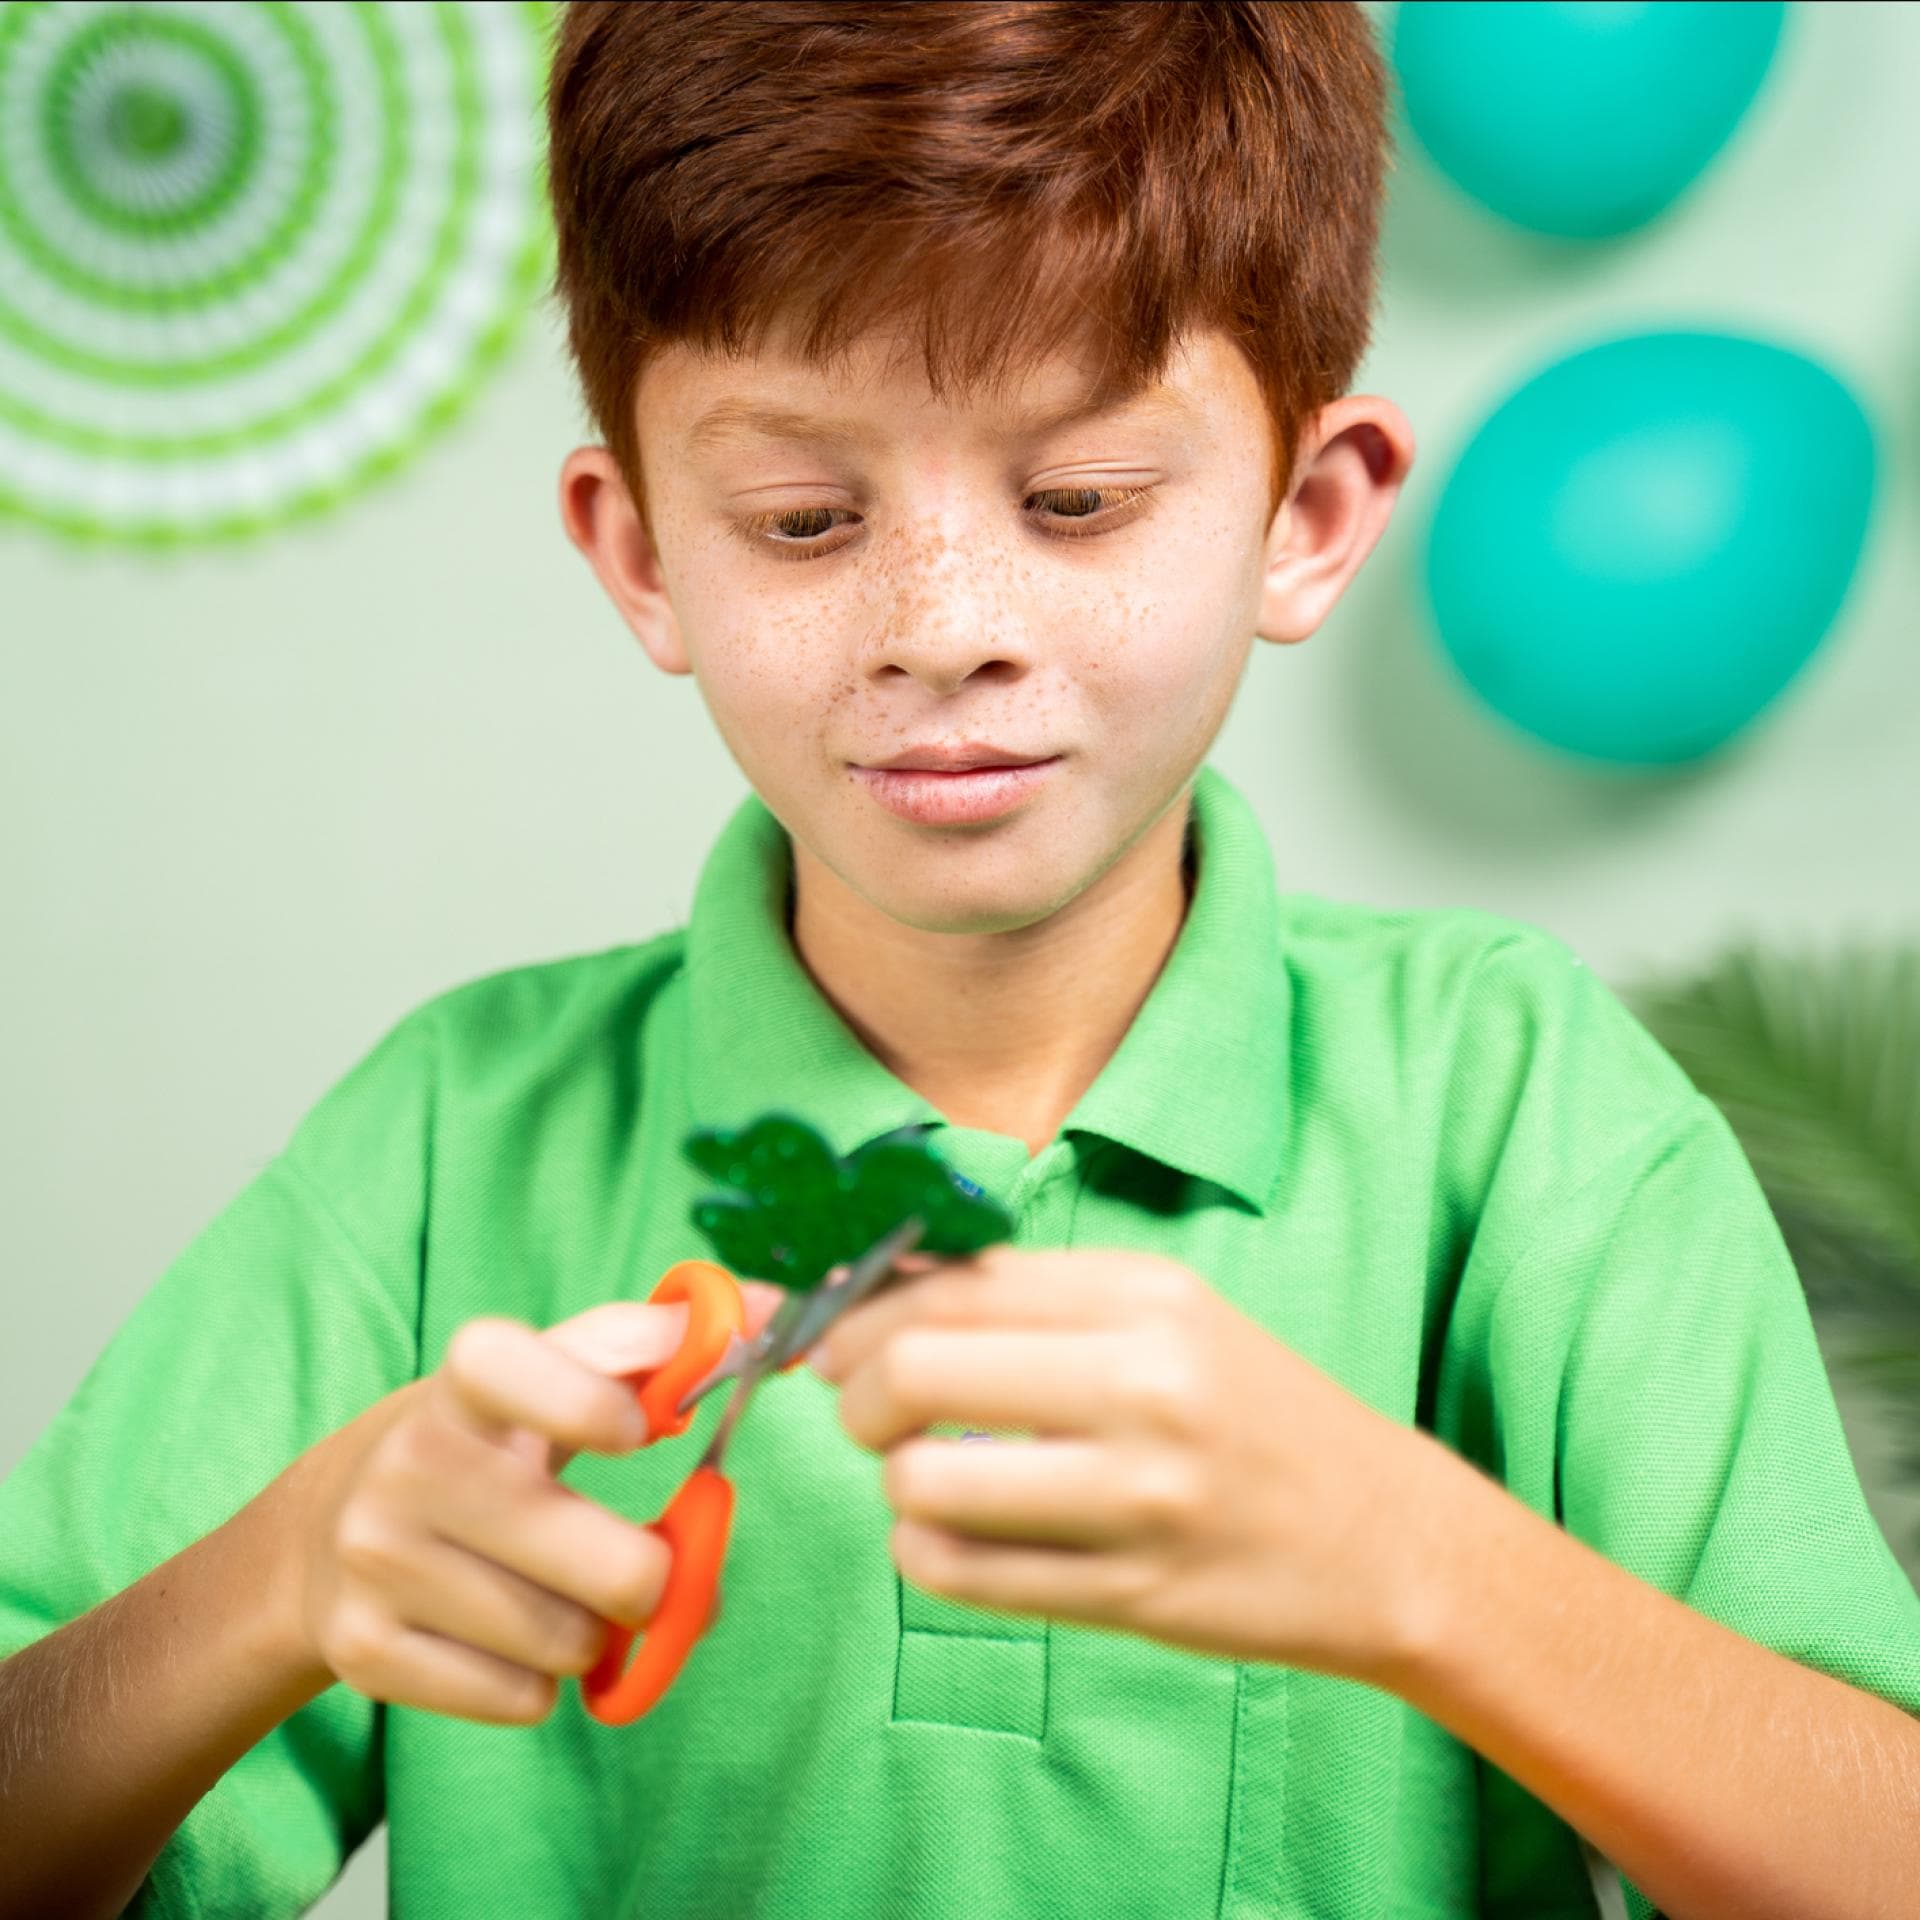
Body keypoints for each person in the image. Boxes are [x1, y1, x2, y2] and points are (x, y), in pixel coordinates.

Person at [5, 4, 1918, 1917]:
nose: (945, 627)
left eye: (1077, 500)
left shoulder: (1519, 1105)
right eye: (803, 519)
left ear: (1305, 517)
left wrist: (1427, 1569)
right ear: (646, 552)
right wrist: (276, 1581)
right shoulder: (447, 1140)